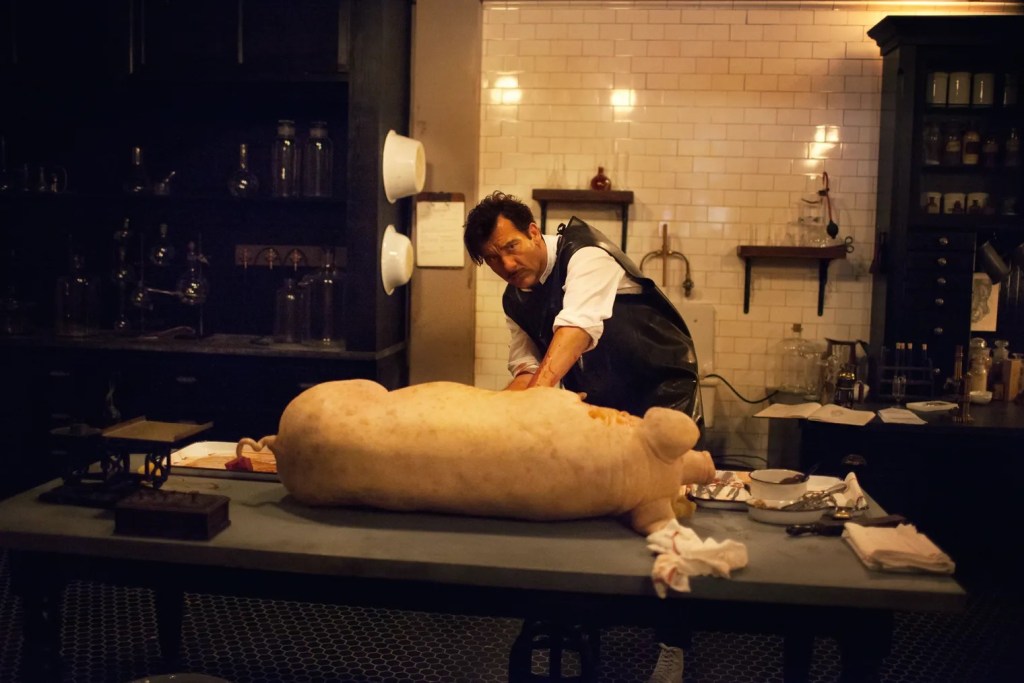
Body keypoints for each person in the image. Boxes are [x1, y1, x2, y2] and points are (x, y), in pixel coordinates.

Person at [463, 190, 703, 683]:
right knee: (594, 510)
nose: (506, 265)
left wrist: (538, 397)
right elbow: (527, 368)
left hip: (661, 393)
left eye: (511, 247)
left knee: (666, 520)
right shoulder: (514, 299)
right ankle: (593, 613)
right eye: (492, 259)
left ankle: (673, 645)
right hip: (602, 399)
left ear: (534, 231)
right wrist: (483, 417)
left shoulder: (587, 254)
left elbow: (575, 329)